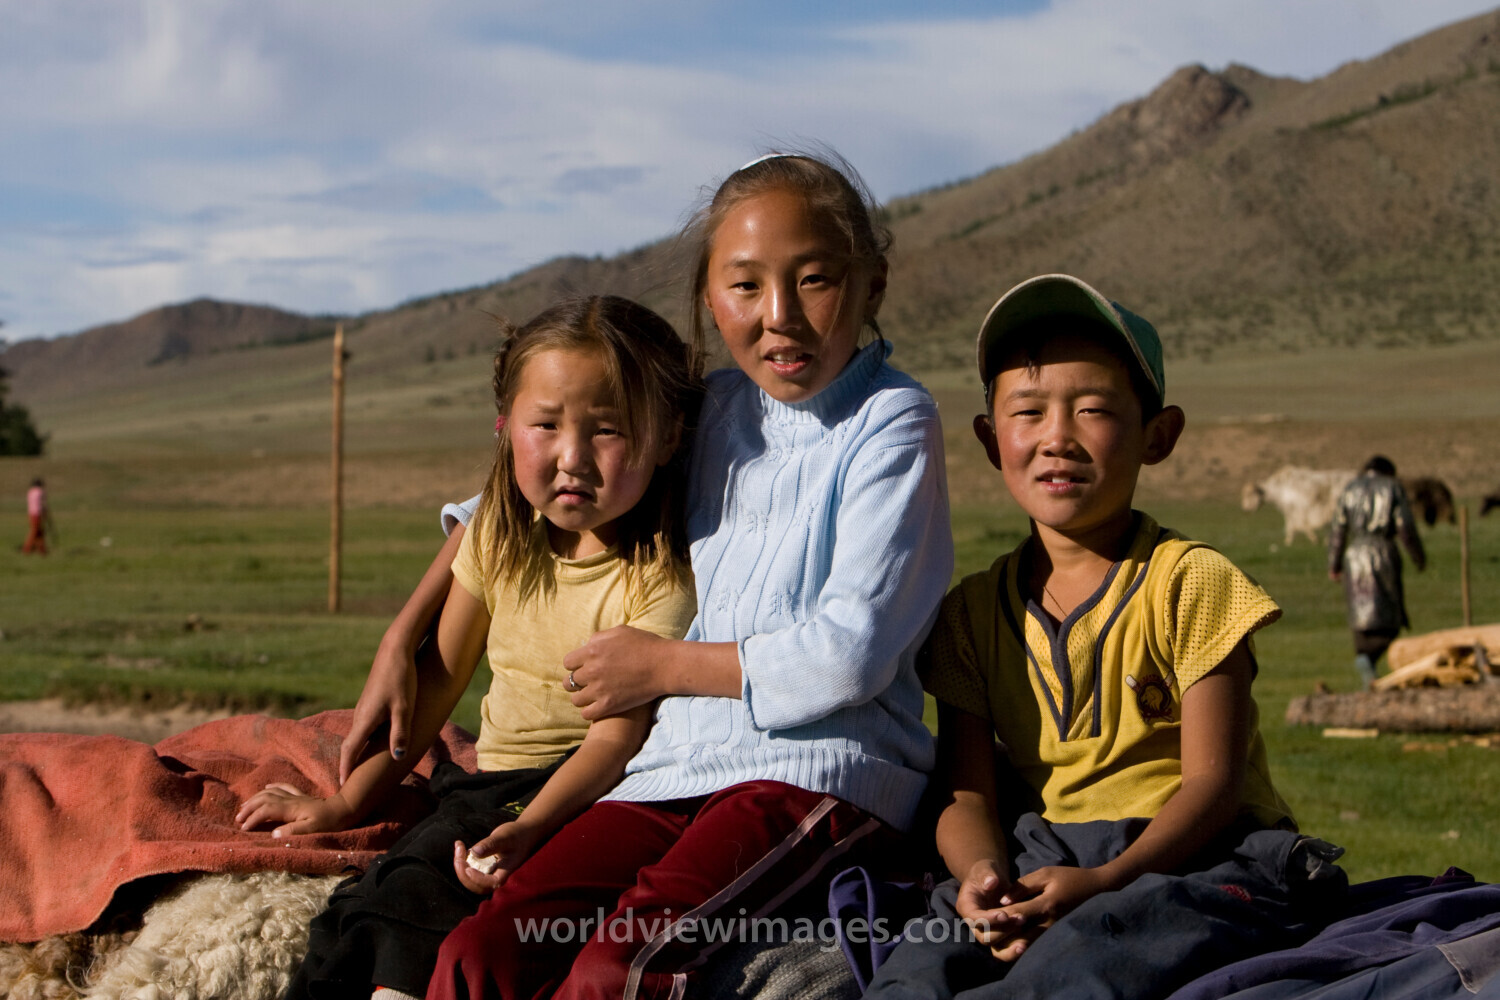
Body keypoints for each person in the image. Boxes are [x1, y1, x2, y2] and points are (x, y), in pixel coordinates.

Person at [423, 150, 954, 1000]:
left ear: (871, 286)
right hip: (672, 770)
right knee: (482, 950)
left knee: (619, 967)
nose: (779, 316)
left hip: (820, 774)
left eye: (814, 280)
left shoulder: (891, 422)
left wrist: (664, 666)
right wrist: (408, 625)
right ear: (710, 298)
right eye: (745, 286)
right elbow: (559, 485)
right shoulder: (711, 409)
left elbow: (851, 655)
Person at [863, 275, 1347, 1000]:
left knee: (1075, 970)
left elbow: (1214, 788)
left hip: (1198, 859)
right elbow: (968, 796)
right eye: (1028, 412)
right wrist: (981, 876)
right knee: (916, 971)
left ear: (1158, 435)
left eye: (1092, 410)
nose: (1057, 437)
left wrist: (1104, 881)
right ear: (991, 440)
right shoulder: (971, 615)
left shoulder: (1192, 583)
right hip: (1046, 855)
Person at [237, 295, 701, 1000]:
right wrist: (346, 804)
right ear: (505, 428)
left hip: (582, 796)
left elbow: (614, 743)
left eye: (608, 429)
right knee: (363, 912)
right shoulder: (498, 535)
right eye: (546, 424)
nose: (573, 458)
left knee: (425, 909)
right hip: (485, 786)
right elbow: (438, 679)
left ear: (667, 438)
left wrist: (531, 826)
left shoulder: (658, 574)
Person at [1328, 455, 1426, 690]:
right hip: (1383, 553)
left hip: (1355, 556)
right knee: (1389, 614)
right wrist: (1418, 556)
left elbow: (1338, 530)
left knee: (1361, 616)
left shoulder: (1350, 489)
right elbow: (1405, 526)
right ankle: (1368, 663)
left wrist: (1334, 564)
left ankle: (1365, 662)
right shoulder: (1392, 487)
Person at [21, 477, 50, 554]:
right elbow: (43, 504)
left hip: (31, 513)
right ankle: (26, 548)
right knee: (35, 531)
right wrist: (46, 513)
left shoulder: (30, 492)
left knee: (39, 531)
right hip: (38, 513)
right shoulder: (41, 492)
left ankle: (42, 549)